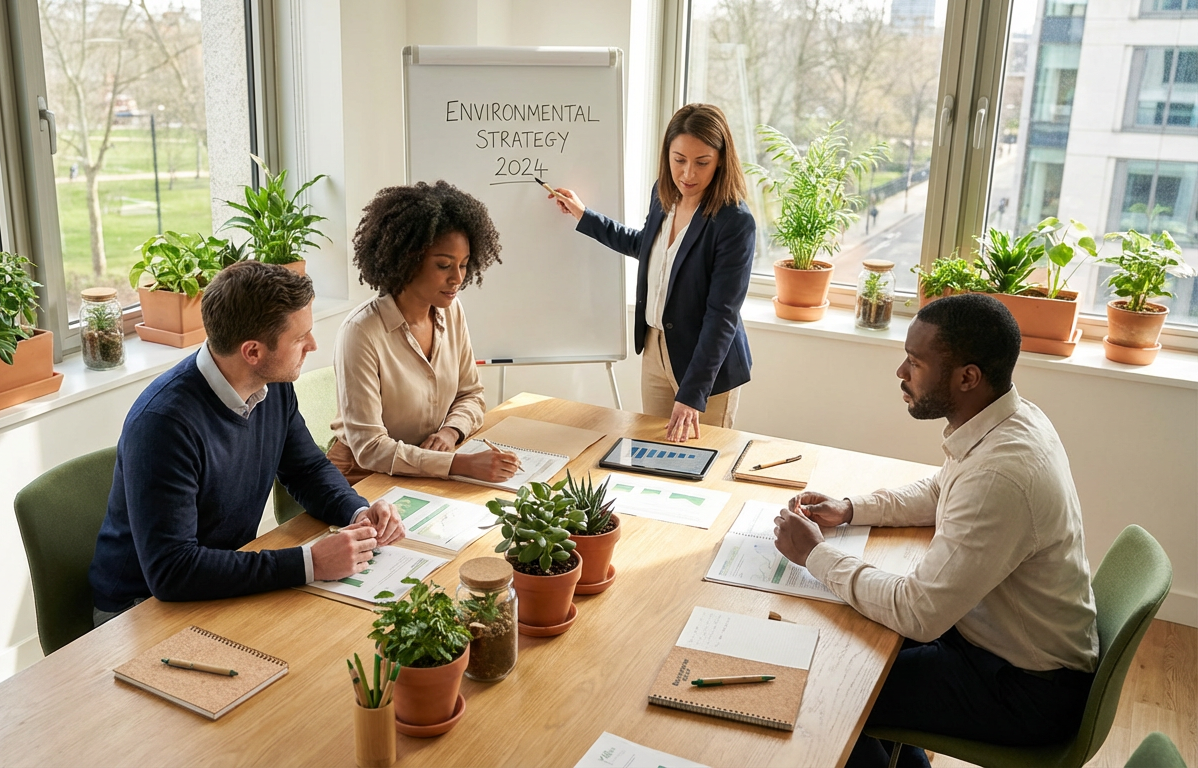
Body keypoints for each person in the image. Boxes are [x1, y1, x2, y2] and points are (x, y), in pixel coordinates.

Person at [772, 294, 1098, 768]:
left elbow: (918, 613)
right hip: (994, 645)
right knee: (847, 644)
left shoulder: (1002, 474)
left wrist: (814, 556)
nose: (900, 373)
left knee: (828, 691)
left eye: (915, 362)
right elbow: (941, 490)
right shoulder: (1007, 419)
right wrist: (849, 509)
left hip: (1023, 689)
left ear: (968, 377)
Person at [88, 261, 406, 626]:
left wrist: (357, 513)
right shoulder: (163, 424)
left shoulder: (272, 385)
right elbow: (172, 571)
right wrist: (310, 562)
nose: (313, 346)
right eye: (301, 338)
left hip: (217, 581)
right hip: (138, 610)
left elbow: (307, 469)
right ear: (252, 352)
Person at [549, 103, 755, 442]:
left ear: (720, 159)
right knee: (651, 454)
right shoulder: (664, 195)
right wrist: (584, 215)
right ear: (667, 154)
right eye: (679, 160)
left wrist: (692, 394)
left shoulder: (735, 221)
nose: (688, 173)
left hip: (707, 364)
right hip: (658, 349)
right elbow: (645, 246)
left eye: (701, 162)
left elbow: (722, 315)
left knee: (700, 463)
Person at [328, 180, 519, 485]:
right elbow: (370, 449)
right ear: (407, 259)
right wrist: (458, 464)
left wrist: (450, 432)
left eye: (464, 265)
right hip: (362, 476)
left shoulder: (451, 311)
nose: (457, 278)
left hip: (427, 468)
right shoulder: (361, 333)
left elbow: (470, 394)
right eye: (444, 265)